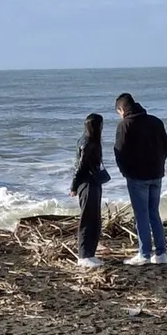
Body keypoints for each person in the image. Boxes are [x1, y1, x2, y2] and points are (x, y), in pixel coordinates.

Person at [113, 93, 167, 266]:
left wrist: (125, 171)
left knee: (141, 215)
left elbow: (119, 152)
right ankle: (161, 253)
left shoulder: (125, 125)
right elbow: (166, 146)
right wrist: (159, 163)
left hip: (137, 176)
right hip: (156, 173)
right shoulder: (155, 121)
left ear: (122, 109)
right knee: (154, 213)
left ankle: (144, 253)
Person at [70, 113, 109, 269]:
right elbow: (80, 167)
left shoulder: (88, 140)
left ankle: (90, 254)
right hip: (87, 184)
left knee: (94, 219)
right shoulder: (88, 143)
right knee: (88, 219)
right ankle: (84, 256)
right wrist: (73, 186)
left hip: (91, 183)